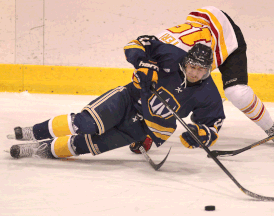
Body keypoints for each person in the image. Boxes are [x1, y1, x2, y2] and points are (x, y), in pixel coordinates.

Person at [8, 37, 225, 159]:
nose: (196, 73)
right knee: (85, 123)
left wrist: (200, 135)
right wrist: (143, 64)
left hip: (148, 127)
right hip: (128, 100)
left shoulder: (209, 93)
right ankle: (33, 132)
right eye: (193, 67)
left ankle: (38, 149)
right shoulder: (170, 55)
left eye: (201, 70)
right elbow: (135, 44)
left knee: (87, 144)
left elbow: (213, 126)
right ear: (186, 62)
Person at [156, 6, 274, 147]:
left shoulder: (172, 56)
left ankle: (270, 126)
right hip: (202, 27)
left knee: (237, 93)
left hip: (222, 31)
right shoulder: (160, 52)